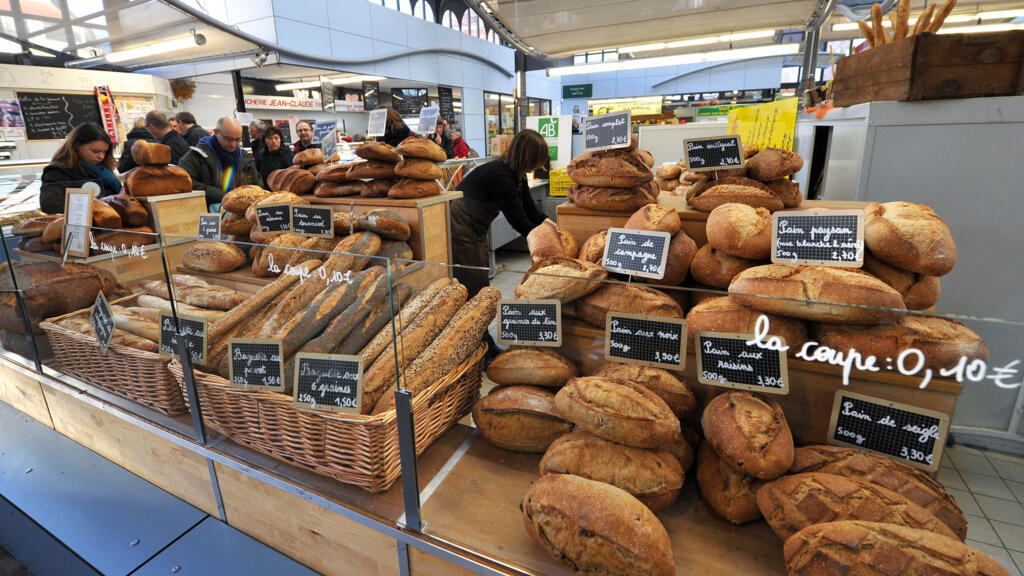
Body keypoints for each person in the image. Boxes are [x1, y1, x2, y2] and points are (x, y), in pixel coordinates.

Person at [452, 129, 549, 360]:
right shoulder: (501, 176)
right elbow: (519, 220)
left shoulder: (516, 174)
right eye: (537, 159)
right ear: (528, 156)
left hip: (476, 226)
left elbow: (531, 210)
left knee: (480, 278)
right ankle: (481, 348)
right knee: (475, 284)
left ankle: (480, 342)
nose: (539, 164)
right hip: (460, 226)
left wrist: (551, 228)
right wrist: (543, 244)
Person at [177, 116, 262, 207]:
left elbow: (257, 183)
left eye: (237, 140)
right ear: (216, 132)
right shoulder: (197, 155)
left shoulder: (245, 157)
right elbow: (183, 183)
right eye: (228, 139)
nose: (233, 144)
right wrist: (224, 195)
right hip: (208, 212)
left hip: (242, 210)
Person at [40, 122, 122, 214]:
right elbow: (49, 204)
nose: (101, 156)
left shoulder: (105, 172)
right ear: (76, 145)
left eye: (104, 152)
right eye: (95, 151)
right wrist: (97, 204)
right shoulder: (57, 171)